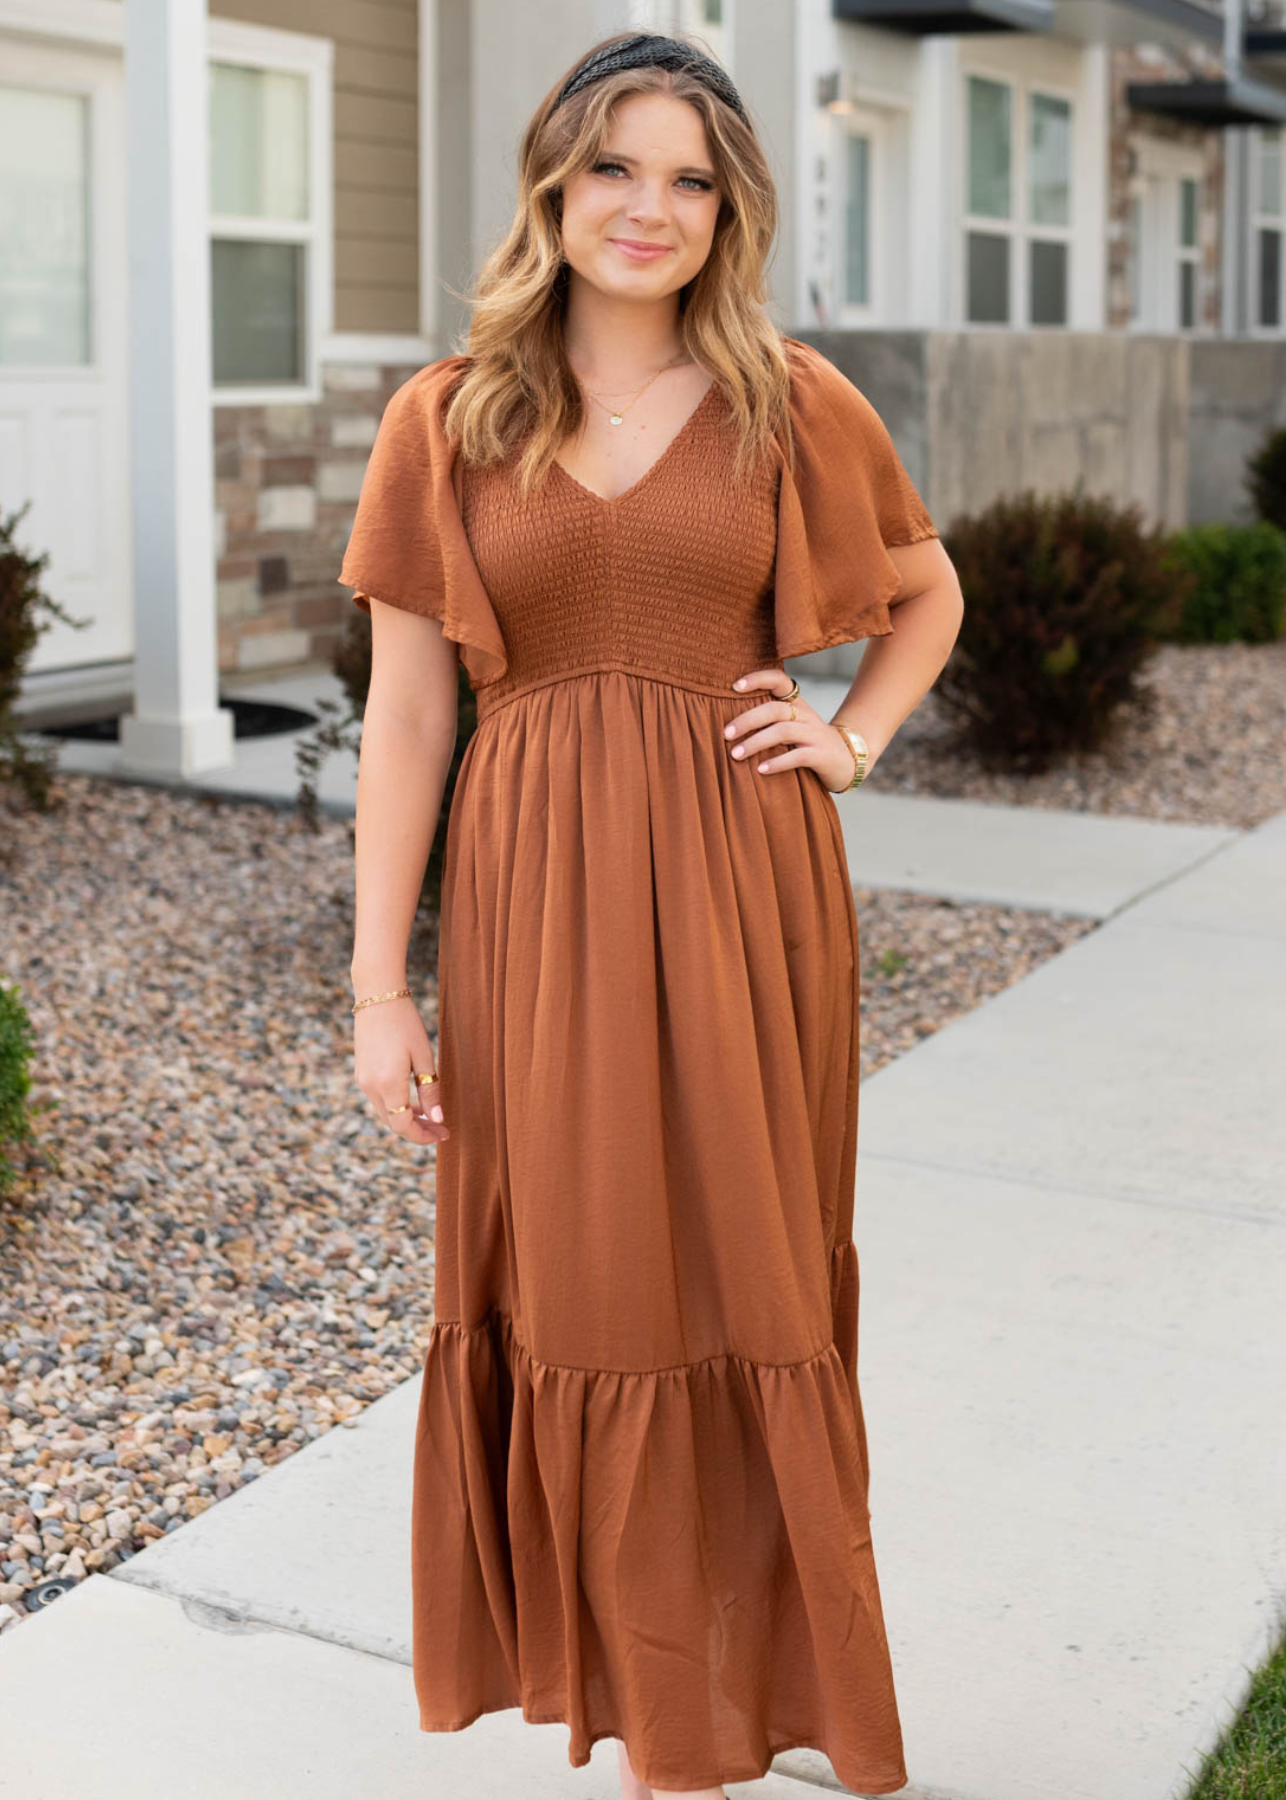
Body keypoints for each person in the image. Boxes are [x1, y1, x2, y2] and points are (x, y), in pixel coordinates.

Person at [340, 29, 963, 1800]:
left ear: (730, 209)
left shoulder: (787, 396)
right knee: (586, 1281)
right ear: (553, 179)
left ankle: (749, 1700)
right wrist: (382, 988)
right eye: (616, 165)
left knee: (747, 1275)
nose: (650, 207)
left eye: (691, 178)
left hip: (746, 892)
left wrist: (846, 739)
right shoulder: (447, 416)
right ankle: (637, 1711)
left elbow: (926, 594)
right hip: (537, 905)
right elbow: (407, 717)